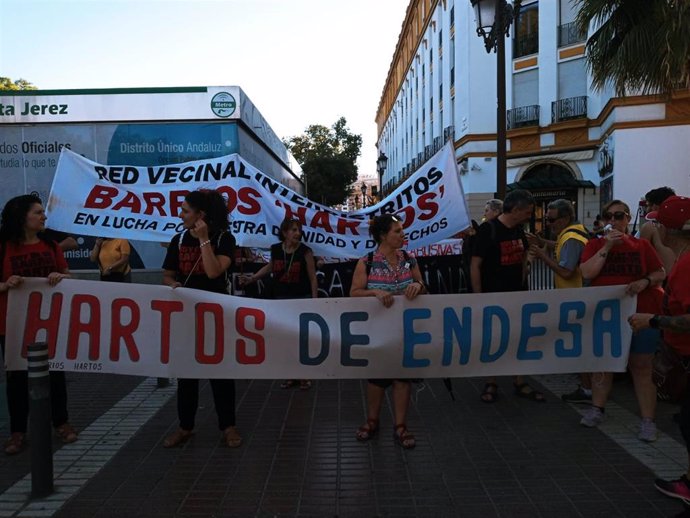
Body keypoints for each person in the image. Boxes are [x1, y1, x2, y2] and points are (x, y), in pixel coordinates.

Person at [579, 199, 665, 441]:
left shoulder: (642, 246)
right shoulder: (594, 244)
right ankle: (597, 409)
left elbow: (660, 272)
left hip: (640, 314)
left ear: (628, 219)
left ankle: (648, 421)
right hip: (606, 316)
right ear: (603, 221)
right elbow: (587, 273)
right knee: (604, 364)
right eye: (609, 216)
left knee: (641, 367)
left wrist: (645, 282)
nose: (614, 221)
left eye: (619, 216)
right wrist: (605, 248)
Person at [161, 189, 242, 449]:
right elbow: (167, 275)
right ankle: (186, 426)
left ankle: (228, 426)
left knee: (220, 373)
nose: (180, 215)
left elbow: (213, 272)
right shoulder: (179, 239)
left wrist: (205, 239)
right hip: (186, 317)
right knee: (186, 374)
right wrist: (173, 284)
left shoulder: (225, 239)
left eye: (185, 210)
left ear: (201, 215)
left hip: (216, 316)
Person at [0, 194, 78, 455]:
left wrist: (60, 276)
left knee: (55, 374)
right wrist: (5, 284)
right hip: (12, 325)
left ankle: (62, 422)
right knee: (17, 379)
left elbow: (67, 275)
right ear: (22, 217)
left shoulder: (51, 245)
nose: (44, 216)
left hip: (48, 323)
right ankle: (18, 431)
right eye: (37, 212)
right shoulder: (4, 247)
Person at [627, 195, 690, 504]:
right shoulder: (681, 259)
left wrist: (653, 320)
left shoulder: (688, 265)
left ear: (665, 229)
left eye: (655, 223)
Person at [350, 214, 427, 449]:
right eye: (397, 231)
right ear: (384, 235)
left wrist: (417, 285)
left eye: (402, 230)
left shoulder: (408, 260)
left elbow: (422, 285)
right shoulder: (367, 262)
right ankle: (372, 420)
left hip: (405, 330)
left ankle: (400, 425)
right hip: (377, 331)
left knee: (402, 377)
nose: (403, 234)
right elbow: (354, 292)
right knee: (377, 378)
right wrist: (374, 293)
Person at [471, 189, 546, 403]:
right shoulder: (488, 230)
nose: (530, 215)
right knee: (492, 340)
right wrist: (478, 297)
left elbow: (522, 257)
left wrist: (526, 269)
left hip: (518, 295)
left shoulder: (518, 229)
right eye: (528, 211)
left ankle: (519, 380)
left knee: (520, 338)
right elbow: (475, 264)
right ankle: (491, 381)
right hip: (492, 296)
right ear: (515, 210)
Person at [241, 217, 318, 390]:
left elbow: (313, 277)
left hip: (301, 298)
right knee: (285, 338)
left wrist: (314, 302)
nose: (297, 233)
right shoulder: (276, 249)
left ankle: (304, 375)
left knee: (302, 339)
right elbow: (270, 267)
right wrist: (253, 278)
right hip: (281, 299)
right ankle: (289, 374)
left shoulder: (305, 251)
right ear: (284, 233)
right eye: (293, 230)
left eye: (298, 230)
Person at [529, 199, 592, 403]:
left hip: (576, 297)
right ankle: (588, 384)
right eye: (547, 219)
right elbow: (561, 246)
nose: (548, 223)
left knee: (580, 346)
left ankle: (587, 388)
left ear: (565, 218)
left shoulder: (572, 237)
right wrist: (544, 244)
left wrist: (541, 255)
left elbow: (566, 271)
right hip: (576, 297)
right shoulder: (573, 231)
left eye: (552, 219)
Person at [640, 186, 676, 273]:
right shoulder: (682, 226)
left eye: (648, 205)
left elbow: (641, 256)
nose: (647, 209)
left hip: (659, 275)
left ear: (655, 206)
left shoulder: (649, 227)